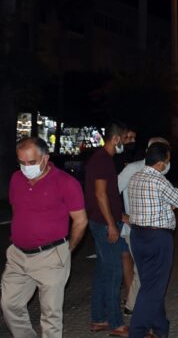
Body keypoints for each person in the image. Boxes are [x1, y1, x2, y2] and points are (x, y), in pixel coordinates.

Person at [1, 137, 88, 338]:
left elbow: (81, 220)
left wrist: (67, 250)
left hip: (50, 255)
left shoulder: (66, 183)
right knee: (9, 305)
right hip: (18, 255)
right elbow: (17, 209)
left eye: (31, 162)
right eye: (21, 162)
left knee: (50, 315)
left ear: (45, 158)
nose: (26, 167)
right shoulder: (16, 179)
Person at [127, 142, 178, 338]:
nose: (167, 164)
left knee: (150, 284)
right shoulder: (158, 180)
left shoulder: (135, 177)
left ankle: (161, 327)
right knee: (153, 287)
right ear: (161, 163)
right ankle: (137, 331)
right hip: (157, 238)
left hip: (137, 236)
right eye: (167, 160)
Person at [85, 121, 129, 336]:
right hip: (104, 225)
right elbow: (100, 194)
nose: (126, 142)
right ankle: (116, 323)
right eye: (125, 138)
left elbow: (107, 196)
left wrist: (120, 216)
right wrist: (112, 224)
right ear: (116, 138)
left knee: (103, 273)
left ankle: (98, 319)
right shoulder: (102, 160)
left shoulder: (103, 159)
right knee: (114, 273)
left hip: (103, 221)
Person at [118, 137, 170, 316]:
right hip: (135, 230)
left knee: (147, 269)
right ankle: (134, 307)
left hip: (155, 230)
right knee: (144, 270)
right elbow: (109, 192)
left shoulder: (162, 171)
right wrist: (121, 216)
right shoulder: (132, 169)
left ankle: (138, 306)